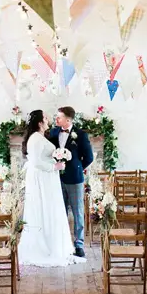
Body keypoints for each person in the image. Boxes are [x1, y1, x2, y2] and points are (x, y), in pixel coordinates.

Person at [18, 110, 86, 267]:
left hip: (48, 179)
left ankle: (52, 244)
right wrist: (54, 166)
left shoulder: (41, 136)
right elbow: (35, 162)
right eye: (46, 117)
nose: (49, 120)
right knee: (44, 211)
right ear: (40, 122)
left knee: (51, 211)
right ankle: (45, 248)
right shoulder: (35, 138)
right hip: (42, 181)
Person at [48, 106, 93, 258]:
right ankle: (61, 242)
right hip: (56, 179)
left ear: (68, 119)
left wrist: (78, 168)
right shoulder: (53, 132)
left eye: (59, 117)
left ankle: (79, 244)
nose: (56, 119)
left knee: (78, 212)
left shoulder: (80, 134)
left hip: (75, 179)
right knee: (60, 211)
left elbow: (89, 157)